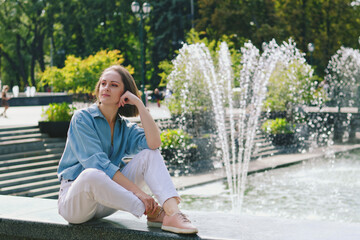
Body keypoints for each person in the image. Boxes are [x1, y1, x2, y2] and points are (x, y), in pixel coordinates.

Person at [57, 65, 198, 234]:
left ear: (125, 94)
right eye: (103, 83)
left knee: (149, 154)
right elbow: (99, 165)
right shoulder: (82, 119)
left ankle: (173, 213)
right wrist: (140, 194)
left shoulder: (125, 128)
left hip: (107, 201)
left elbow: (154, 143)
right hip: (76, 203)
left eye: (114, 85)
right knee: (92, 174)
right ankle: (154, 212)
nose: (106, 88)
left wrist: (139, 104)